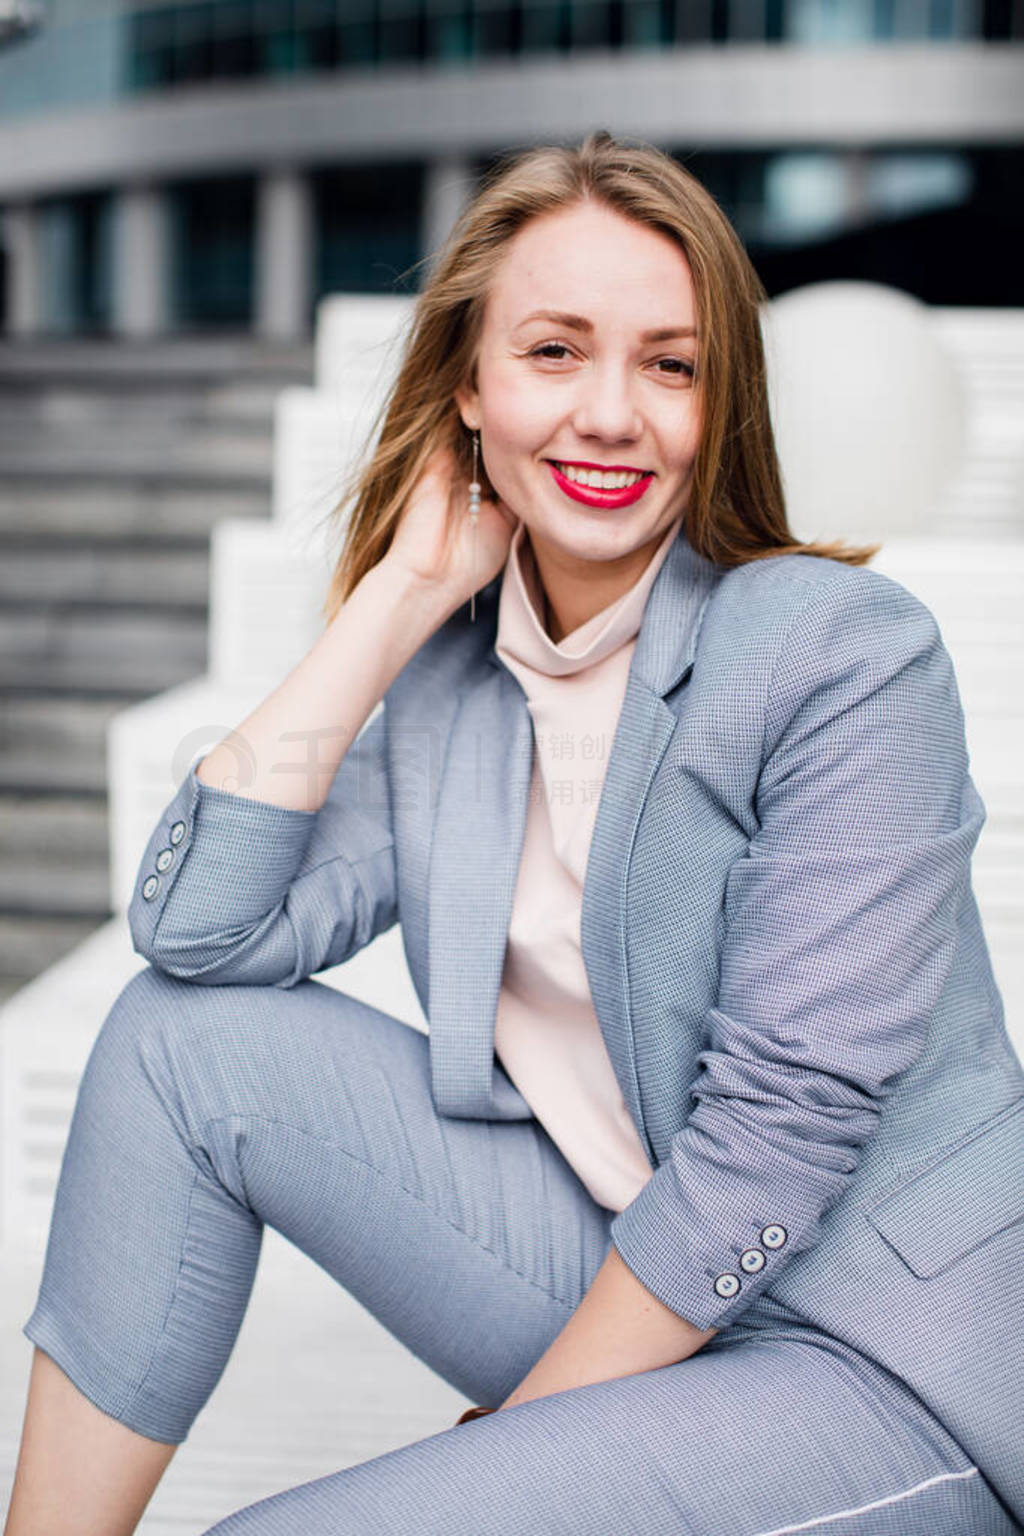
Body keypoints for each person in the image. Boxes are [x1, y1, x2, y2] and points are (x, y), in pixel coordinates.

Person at [5, 131, 1024, 1536]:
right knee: (175, 1049)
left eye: (671, 364)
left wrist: (520, 1447)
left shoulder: (840, 654)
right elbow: (200, 935)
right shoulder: (461, 683)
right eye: (554, 351)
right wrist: (395, 599)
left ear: (717, 405)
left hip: (884, 1355)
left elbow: (779, 1135)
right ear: (467, 391)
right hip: (627, 1270)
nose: (612, 413)